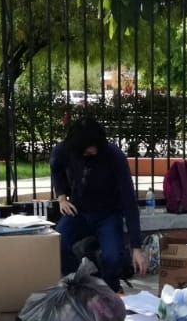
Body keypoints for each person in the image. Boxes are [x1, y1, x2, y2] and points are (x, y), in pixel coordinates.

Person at [50, 116, 147, 293]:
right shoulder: (64, 150)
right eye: (87, 151)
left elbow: (129, 202)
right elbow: (55, 168)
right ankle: (79, 284)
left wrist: (136, 247)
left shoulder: (113, 156)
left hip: (108, 214)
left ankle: (110, 292)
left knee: (112, 258)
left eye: (95, 148)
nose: (93, 152)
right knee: (56, 242)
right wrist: (62, 197)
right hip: (78, 211)